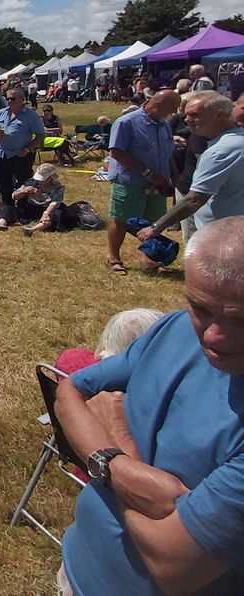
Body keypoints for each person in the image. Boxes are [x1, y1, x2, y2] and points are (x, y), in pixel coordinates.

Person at [54, 217, 244, 595]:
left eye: (241, 319)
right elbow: (70, 392)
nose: (212, 335)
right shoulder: (172, 329)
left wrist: (111, 452)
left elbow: (172, 566)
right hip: (76, 568)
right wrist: (126, 471)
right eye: (201, 309)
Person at [137, 93, 244, 249]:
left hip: (220, 237)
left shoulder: (220, 151)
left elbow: (194, 200)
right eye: (185, 115)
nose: (186, 120)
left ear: (219, 115)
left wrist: (155, 227)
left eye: (195, 115)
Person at [104, 90, 181, 276]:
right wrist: (147, 173)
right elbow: (117, 152)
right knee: (121, 219)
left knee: (154, 221)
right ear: (158, 105)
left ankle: (151, 260)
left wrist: (173, 176)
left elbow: (168, 152)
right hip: (130, 180)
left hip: (159, 183)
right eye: (172, 107)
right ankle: (113, 257)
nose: (175, 112)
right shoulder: (126, 122)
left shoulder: (164, 125)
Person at [0, 88, 46, 209]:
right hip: (2, 153)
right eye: (7, 98)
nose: (9, 101)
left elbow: (41, 135)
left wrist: (27, 150)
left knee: (23, 182)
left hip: (21, 154)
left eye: (13, 98)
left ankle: (23, 207)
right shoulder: (1, 113)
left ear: (22, 99)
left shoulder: (31, 115)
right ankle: (7, 206)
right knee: (3, 181)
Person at [0, 163, 64, 232]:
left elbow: (55, 202)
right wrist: (23, 192)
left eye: (43, 179)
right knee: (7, 208)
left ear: (51, 178)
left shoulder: (58, 186)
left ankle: (33, 229)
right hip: (29, 207)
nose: (39, 181)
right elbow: (14, 196)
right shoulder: (31, 182)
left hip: (46, 209)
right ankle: (1, 224)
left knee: (57, 214)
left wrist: (46, 213)